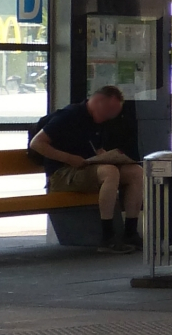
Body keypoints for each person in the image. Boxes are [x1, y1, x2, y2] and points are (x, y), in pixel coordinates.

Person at [29, 86, 144, 254]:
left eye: (114, 112)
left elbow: (97, 149)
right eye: (109, 110)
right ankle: (107, 235)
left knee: (136, 172)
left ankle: (130, 232)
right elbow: (37, 143)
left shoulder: (99, 122)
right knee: (110, 173)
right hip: (61, 173)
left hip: (87, 168)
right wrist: (69, 158)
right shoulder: (69, 116)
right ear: (96, 102)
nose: (111, 116)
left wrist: (108, 157)